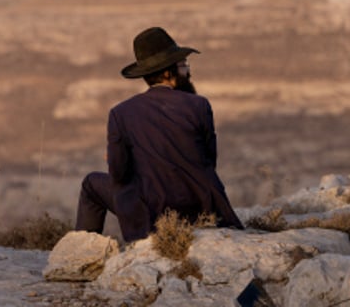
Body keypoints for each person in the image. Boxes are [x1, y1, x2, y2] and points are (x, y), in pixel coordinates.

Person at [76, 26, 243, 242]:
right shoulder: (200, 105)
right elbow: (210, 161)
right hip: (201, 210)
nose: (188, 72)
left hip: (151, 217)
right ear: (167, 72)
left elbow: (118, 175)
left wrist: (121, 160)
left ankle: (81, 250)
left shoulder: (120, 113)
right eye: (183, 66)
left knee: (91, 183)